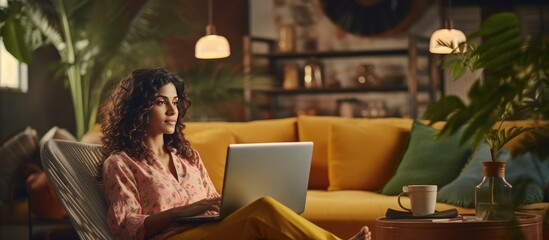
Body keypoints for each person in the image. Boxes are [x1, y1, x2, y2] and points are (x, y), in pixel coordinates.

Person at [100, 68, 371, 240]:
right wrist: (184, 211)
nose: (173, 111)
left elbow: (214, 201)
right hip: (175, 237)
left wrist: (230, 204)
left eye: (175, 102)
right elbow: (126, 228)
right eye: (161, 102)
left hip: (211, 231)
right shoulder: (121, 164)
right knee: (262, 210)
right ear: (138, 109)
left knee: (262, 207)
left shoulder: (187, 157)